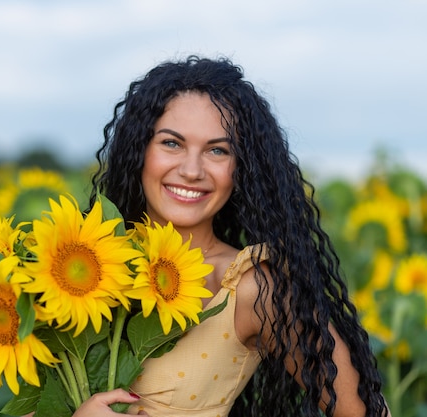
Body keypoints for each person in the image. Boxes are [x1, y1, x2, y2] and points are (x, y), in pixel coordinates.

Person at [72, 55, 389, 416]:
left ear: (241, 169)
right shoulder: (78, 268)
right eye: (171, 143)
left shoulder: (250, 288)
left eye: (217, 150)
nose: (191, 170)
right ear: (138, 151)